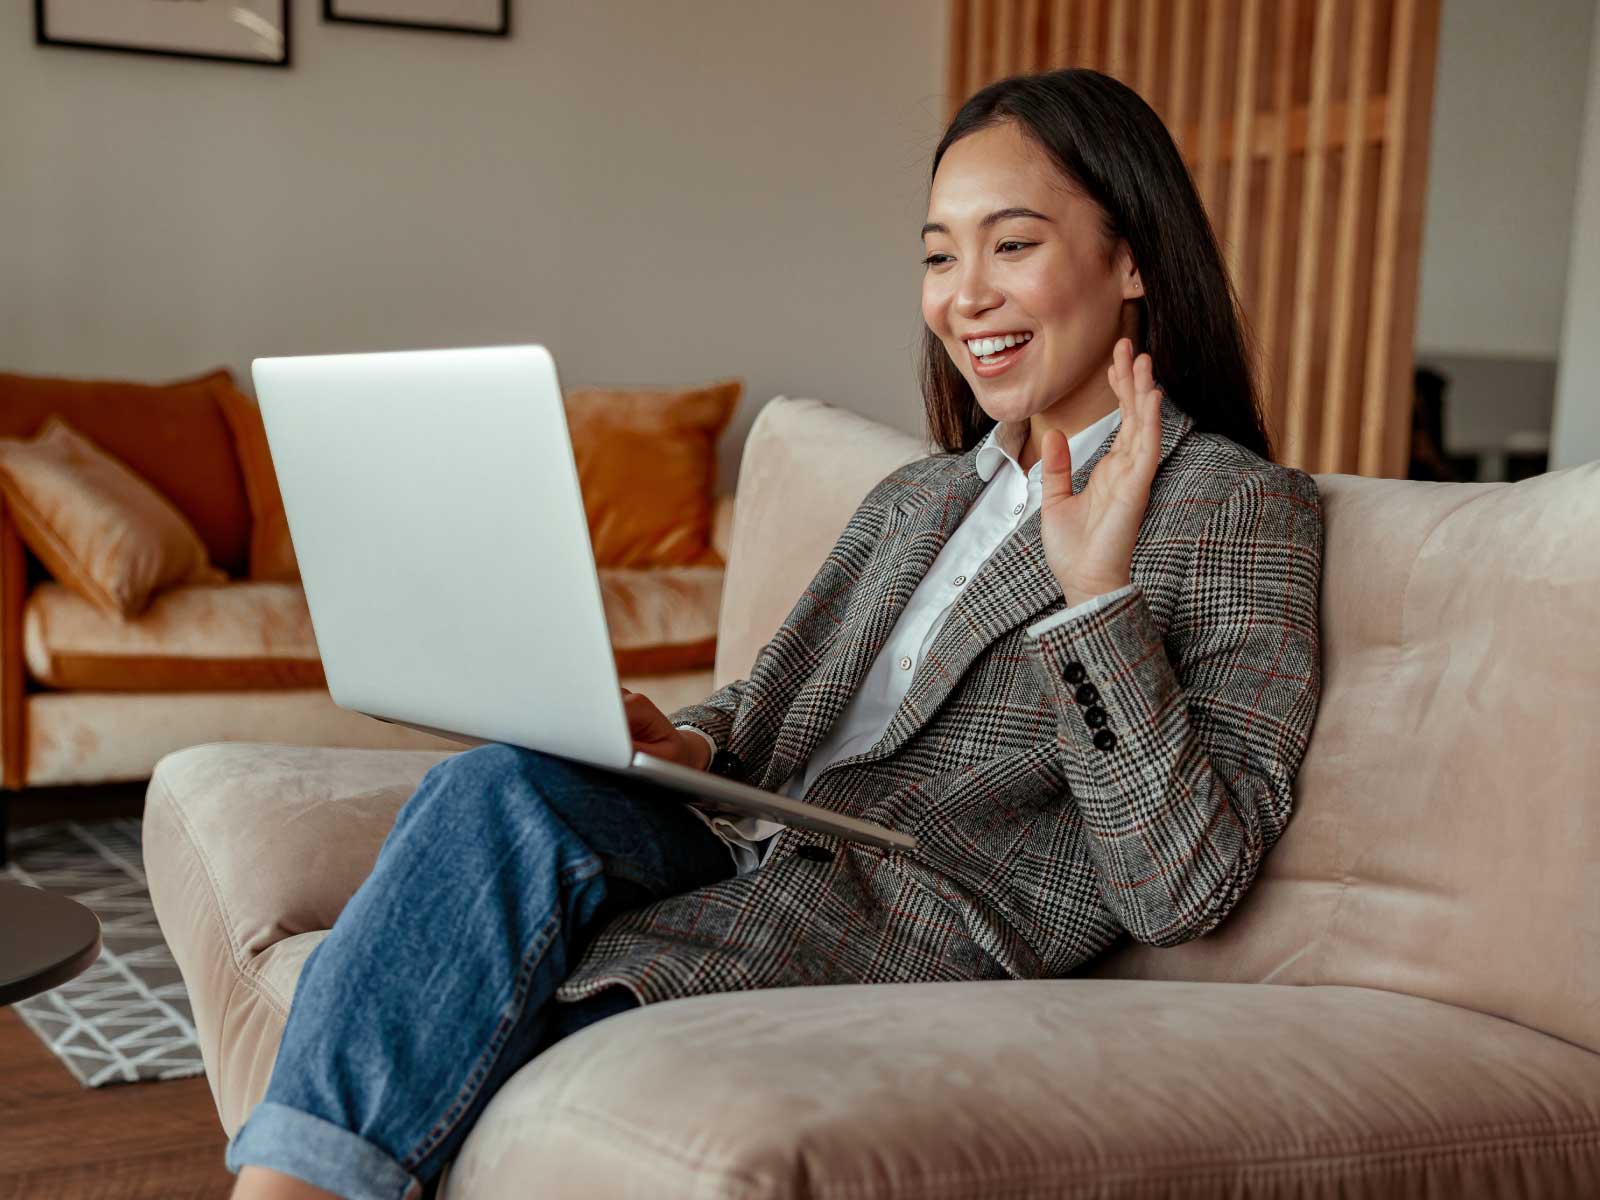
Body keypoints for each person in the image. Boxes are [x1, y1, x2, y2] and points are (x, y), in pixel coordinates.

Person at [229, 67, 1325, 1200]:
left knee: (461, 1018)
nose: (965, 296)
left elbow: (1181, 887)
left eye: (1011, 246)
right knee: (494, 786)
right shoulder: (920, 498)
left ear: (1131, 258)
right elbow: (781, 709)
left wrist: (1094, 601)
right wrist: (693, 745)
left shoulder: (1231, 507)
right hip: (734, 834)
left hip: (897, 910)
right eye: (940, 256)